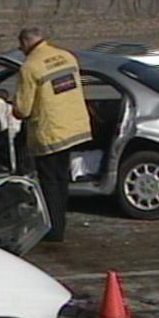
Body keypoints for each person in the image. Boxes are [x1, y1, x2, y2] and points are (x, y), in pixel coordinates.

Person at [13, 27, 92, 242]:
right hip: (73, 127)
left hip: (50, 132)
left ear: (26, 42)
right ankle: (60, 224)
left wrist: (11, 106)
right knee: (61, 180)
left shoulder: (30, 67)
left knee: (49, 183)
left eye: (21, 45)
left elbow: (23, 109)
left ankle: (53, 230)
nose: (21, 50)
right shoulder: (66, 57)